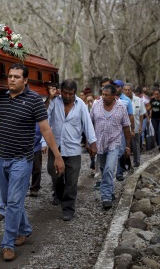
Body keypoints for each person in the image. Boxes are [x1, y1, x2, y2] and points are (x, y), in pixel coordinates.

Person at [0, 63, 65, 262]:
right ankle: (25, 228)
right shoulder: (1, 98)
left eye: (17, 77)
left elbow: (46, 130)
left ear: (25, 80)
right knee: (14, 201)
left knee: (12, 202)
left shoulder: (35, 100)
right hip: (1, 157)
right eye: (10, 76)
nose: (11, 79)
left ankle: (7, 244)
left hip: (21, 160)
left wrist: (57, 155)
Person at [45, 79, 97, 221]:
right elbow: (44, 117)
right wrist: (49, 98)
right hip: (56, 146)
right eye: (65, 93)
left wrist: (92, 143)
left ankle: (68, 208)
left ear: (74, 93)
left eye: (70, 94)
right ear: (60, 92)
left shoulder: (80, 105)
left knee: (72, 181)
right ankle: (59, 194)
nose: (67, 96)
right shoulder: (55, 102)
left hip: (73, 148)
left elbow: (87, 124)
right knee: (53, 172)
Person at [90, 84, 131, 210]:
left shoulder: (121, 107)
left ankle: (106, 197)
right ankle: (111, 190)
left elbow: (126, 127)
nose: (104, 97)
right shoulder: (96, 105)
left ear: (114, 96)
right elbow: (90, 123)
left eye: (107, 95)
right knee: (103, 169)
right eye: (103, 94)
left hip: (115, 142)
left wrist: (128, 146)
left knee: (109, 169)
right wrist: (90, 142)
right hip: (100, 143)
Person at [112, 80, 134, 181]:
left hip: (122, 130)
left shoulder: (126, 100)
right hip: (111, 129)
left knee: (121, 151)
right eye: (114, 86)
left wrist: (131, 129)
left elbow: (131, 115)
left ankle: (119, 173)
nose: (116, 88)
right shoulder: (109, 98)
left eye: (118, 86)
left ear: (121, 88)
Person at [123, 83, 146, 167]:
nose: (127, 91)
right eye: (125, 90)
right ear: (123, 90)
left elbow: (141, 114)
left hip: (135, 126)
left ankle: (136, 161)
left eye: (129, 89)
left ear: (131, 90)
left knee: (136, 145)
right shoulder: (120, 101)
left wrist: (140, 126)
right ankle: (127, 162)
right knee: (125, 145)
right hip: (124, 128)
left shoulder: (138, 100)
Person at [29, 124, 47, 197]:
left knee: (36, 168)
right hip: (24, 146)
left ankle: (34, 188)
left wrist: (44, 144)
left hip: (37, 146)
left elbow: (45, 130)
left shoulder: (39, 120)